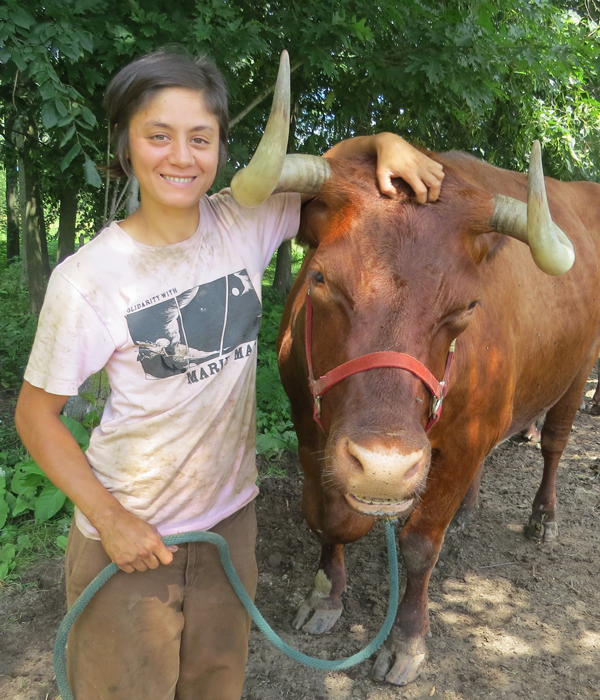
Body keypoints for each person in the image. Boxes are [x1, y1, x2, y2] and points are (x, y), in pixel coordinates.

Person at [15, 50, 444, 700]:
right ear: (126, 145)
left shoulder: (243, 221)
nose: (180, 156)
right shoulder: (88, 279)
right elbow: (35, 416)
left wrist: (384, 141)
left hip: (228, 532)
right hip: (128, 541)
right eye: (158, 135)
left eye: (200, 137)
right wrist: (110, 518)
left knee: (217, 688)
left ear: (220, 147)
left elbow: (340, 168)